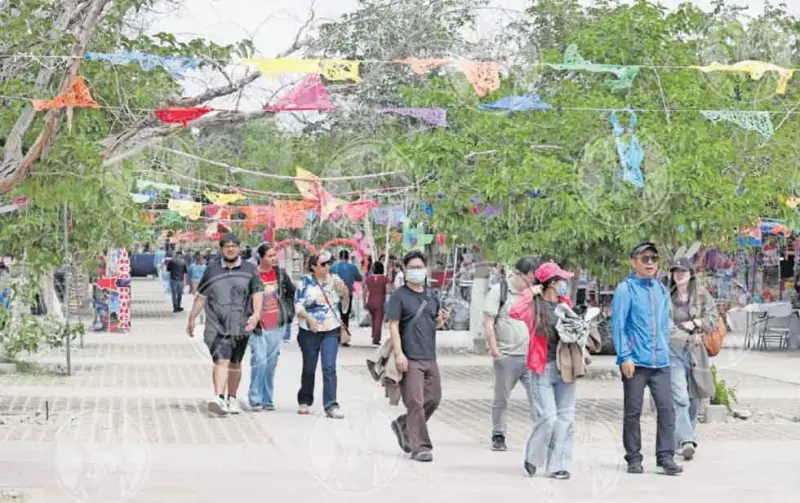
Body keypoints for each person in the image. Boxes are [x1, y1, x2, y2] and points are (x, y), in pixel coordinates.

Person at [611, 242, 682, 476]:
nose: (650, 263)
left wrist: (666, 349)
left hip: (660, 361)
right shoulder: (625, 289)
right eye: (644, 259)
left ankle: (665, 457)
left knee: (667, 409)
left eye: (653, 258)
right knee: (633, 411)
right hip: (635, 361)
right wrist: (624, 355)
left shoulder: (660, 290)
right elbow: (618, 325)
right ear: (634, 262)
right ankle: (633, 457)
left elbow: (664, 325)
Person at [186, 234, 263, 416]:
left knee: (235, 363)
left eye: (233, 246)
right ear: (221, 249)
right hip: (216, 325)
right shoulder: (211, 270)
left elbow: (257, 294)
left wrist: (256, 314)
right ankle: (219, 398)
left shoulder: (250, 269)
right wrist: (191, 319)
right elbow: (201, 297)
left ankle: (232, 398)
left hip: (240, 324)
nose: (230, 249)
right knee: (221, 360)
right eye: (226, 246)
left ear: (239, 248)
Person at [387, 250, 450, 462]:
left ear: (425, 269)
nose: (416, 271)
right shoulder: (399, 296)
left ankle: (403, 425)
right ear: (405, 271)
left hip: (429, 356)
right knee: (415, 401)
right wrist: (399, 354)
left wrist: (442, 320)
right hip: (410, 356)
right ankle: (420, 446)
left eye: (419, 267)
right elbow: (393, 325)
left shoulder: (431, 296)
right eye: (412, 268)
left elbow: (433, 324)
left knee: (433, 398)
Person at [522, 262, 578, 479]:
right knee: (548, 418)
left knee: (566, 418)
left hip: (566, 367)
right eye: (561, 280)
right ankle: (533, 457)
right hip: (543, 368)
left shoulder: (565, 304)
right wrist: (530, 292)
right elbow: (514, 312)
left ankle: (559, 465)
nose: (565, 284)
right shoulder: (534, 307)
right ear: (552, 283)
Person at [483, 257, 539, 452]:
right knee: (502, 398)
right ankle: (498, 434)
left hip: (530, 356)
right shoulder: (499, 292)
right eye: (528, 278)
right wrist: (494, 350)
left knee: (537, 398)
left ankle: (540, 435)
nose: (530, 282)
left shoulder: (532, 294)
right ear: (517, 273)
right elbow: (488, 322)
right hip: (507, 355)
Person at [666, 257, 717, 461]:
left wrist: (696, 322)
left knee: (694, 396)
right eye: (676, 271)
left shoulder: (702, 295)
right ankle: (687, 440)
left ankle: (683, 437)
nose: (680, 275)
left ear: (691, 274)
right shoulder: (666, 296)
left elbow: (713, 319)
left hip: (696, 352)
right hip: (674, 351)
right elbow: (665, 326)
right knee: (680, 397)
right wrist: (685, 336)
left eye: (684, 271)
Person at [294, 251, 349, 418]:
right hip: (309, 330)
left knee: (329, 367)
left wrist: (344, 291)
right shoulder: (305, 281)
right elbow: (298, 305)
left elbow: (345, 305)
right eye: (323, 264)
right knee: (309, 367)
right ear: (313, 266)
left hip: (331, 328)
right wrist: (309, 318)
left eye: (329, 263)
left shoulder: (335, 280)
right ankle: (305, 400)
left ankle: (331, 405)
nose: (327, 267)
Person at [248, 242, 296, 411]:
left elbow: (291, 294)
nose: (274, 258)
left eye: (274, 255)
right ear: (260, 257)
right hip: (258, 326)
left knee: (271, 363)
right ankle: (255, 398)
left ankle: (267, 399)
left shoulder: (281, 275)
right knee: (259, 360)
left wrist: (288, 312)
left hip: (277, 324)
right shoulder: (252, 275)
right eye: (269, 256)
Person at [330, 249, 362, 346]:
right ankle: (344, 338)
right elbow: (359, 278)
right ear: (348, 258)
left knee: (335, 316)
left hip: (334, 295)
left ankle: (335, 337)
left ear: (339, 257)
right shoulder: (352, 267)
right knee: (345, 316)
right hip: (347, 295)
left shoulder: (333, 267)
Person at [365, 261, 392, 345]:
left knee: (373, 319)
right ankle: (376, 338)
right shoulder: (384, 279)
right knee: (378, 320)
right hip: (380, 301)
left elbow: (365, 290)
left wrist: (364, 302)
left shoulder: (368, 278)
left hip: (370, 300)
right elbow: (388, 290)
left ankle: (373, 335)